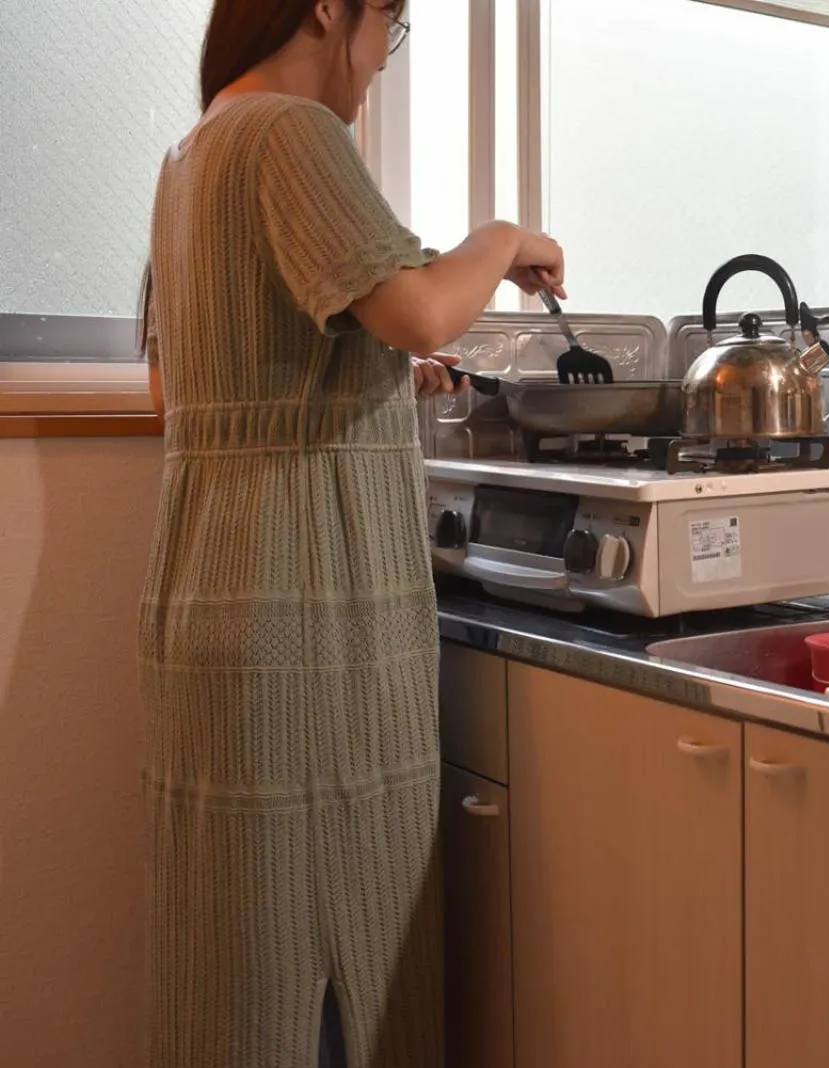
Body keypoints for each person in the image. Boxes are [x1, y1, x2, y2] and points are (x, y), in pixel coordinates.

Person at [137, 2, 563, 1065]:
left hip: (210, 594)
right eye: (390, 27)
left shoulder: (190, 156)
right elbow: (422, 309)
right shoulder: (288, 130)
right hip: (308, 608)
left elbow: (187, 390)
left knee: (243, 962)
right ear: (332, 8)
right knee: (331, 947)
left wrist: (371, 377)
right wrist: (504, 237)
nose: (377, 63)